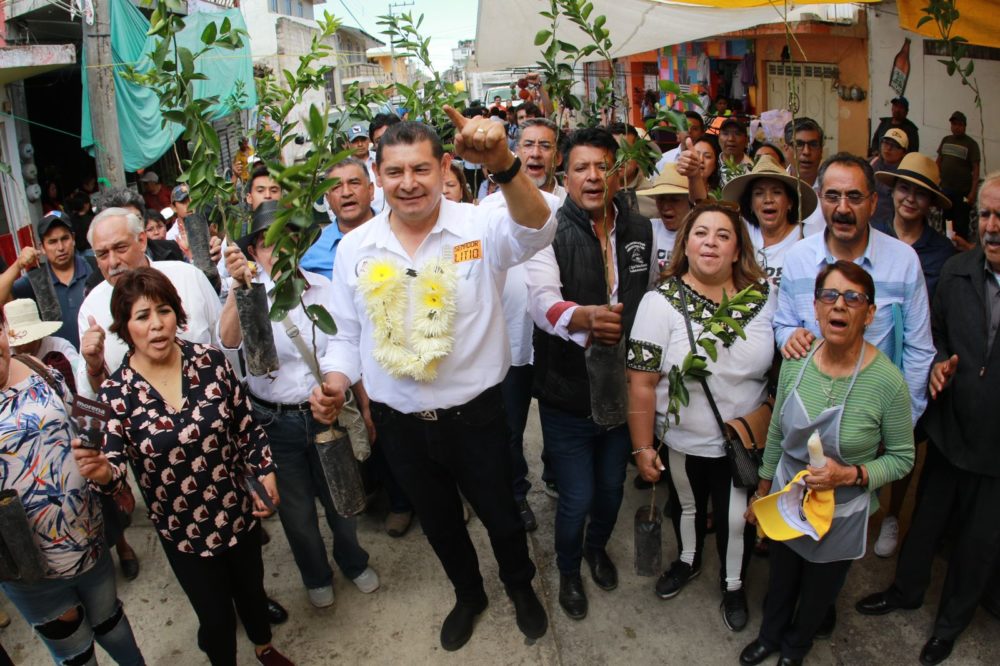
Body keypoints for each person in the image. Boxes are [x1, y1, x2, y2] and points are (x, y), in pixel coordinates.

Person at [308, 111, 552, 651]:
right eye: (394, 172)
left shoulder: (479, 225)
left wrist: (505, 165)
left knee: (503, 519)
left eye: (421, 168)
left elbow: (538, 228)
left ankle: (520, 588)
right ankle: (469, 595)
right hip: (401, 425)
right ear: (378, 176)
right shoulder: (355, 249)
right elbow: (347, 336)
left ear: (444, 166)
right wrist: (333, 382)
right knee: (441, 526)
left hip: (478, 416)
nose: (408, 182)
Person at [73, 267, 293, 666]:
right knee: (215, 619)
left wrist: (265, 471)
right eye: (142, 316)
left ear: (178, 313)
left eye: (164, 310)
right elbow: (116, 474)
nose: (156, 325)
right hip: (184, 531)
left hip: (238, 511)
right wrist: (104, 474)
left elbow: (246, 426)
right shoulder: (115, 395)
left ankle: (264, 647)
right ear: (125, 327)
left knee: (252, 592)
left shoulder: (208, 361)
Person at [854, 173, 1000, 666]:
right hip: (951, 428)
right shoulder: (957, 271)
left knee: (978, 542)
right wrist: (937, 364)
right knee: (926, 523)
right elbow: (930, 334)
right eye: (984, 215)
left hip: (996, 448)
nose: (992, 226)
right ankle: (906, 591)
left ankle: (949, 625)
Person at [740, 261, 915, 666]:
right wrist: (763, 491)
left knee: (820, 590)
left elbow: (903, 458)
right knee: (781, 578)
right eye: (830, 296)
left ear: (869, 314)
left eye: (853, 298)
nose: (840, 305)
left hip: (843, 509)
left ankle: (796, 648)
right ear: (816, 308)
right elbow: (779, 437)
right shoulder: (795, 362)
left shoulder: (888, 383)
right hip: (788, 496)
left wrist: (851, 474)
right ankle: (769, 637)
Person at [525, 126, 656, 621]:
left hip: (624, 393)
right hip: (567, 393)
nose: (594, 176)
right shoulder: (547, 229)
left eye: (603, 165)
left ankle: (595, 549)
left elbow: (651, 296)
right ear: (565, 175)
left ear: (619, 172)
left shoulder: (639, 228)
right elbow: (541, 302)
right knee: (575, 496)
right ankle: (567, 570)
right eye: (581, 167)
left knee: (610, 489)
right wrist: (583, 318)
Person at [221, 203, 379, 609]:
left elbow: (348, 351)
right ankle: (315, 574)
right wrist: (238, 290)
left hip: (326, 414)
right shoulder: (250, 296)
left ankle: (353, 560)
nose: (279, 251)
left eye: (288, 240)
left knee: (342, 501)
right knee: (297, 515)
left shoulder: (325, 291)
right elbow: (228, 344)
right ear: (255, 251)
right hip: (273, 422)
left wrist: (361, 406)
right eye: (268, 243)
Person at [628, 202, 774, 632]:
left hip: (742, 441)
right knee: (687, 507)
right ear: (685, 245)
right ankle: (687, 561)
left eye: (723, 235)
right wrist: (641, 447)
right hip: (683, 440)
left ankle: (733, 586)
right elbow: (639, 381)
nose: (711, 242)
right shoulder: (659, 302)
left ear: (737, 250)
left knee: (734, 519)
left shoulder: (763, 298)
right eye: (701, 233)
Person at [1, 305, 145, 666]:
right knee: (77, 655)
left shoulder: (36, 368)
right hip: (33, 574)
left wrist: (94, 371)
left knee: (114, 627)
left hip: (89, 542)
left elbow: (85, 414)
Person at [774, 153, 935, 429]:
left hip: (876, 421)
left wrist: (900, 423)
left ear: (873, 203)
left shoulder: (903, 261)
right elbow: (783, 324)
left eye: (855, 197)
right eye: (833, 196)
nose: (843, 208)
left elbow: (919, 350)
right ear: (820, 198)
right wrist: (789, 335)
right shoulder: (797, 258)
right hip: (808, 419)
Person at [482, 116, 567, 529]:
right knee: (510, 429)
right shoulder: (490, 208)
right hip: (512, 340)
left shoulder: (571, 206)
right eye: (528, 145)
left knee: (559, 420)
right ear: (515, 152)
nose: (535, 153)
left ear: (558, 156)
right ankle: (516, 492)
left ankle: (556, 475)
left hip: (558, 340)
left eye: (545, 146)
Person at [76, 207, 222, 397]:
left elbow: (223, 345)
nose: (112, 262)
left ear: (142, 241)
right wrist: (94, 367)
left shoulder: (188, 277)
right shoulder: (91, 308)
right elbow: (96, 396)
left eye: (120, 248)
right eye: (102, 254)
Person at [0, 212, 95, 349]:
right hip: (60, 364)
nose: (60, 247)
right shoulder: (35, 281)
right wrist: (18, 265)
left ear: (73, 239)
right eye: (52, 242)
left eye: (65, 239)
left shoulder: (93, 267)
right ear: (42, 247)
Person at [722, 155, 817, 290]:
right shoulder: (741, 233)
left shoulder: (806, 237)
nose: (768, 199)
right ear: (750, 204)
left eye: (777, 192)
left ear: (790, 202)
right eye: (759, 193)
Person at [300, 158, 377, 280]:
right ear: (328, 199)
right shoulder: (312, 251)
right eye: (336, 187)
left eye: (354, 183)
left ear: (371, 190)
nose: (346, 193)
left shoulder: (398, 232)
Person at [636, 163, 692, 271]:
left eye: (674, 200)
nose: (666, 206)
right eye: (661, 199)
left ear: (689, 201)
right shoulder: (646, 229)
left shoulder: (698, 234)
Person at [936, 110, 981, 243]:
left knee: (961, 223)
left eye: (959, 124)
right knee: (947, 221)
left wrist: (973, 192)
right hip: (946, 190)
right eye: (953, 124)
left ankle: (961, 252)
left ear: (964, 126)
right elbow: (938, 162)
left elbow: (976, 171)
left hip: (962, 192)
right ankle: (948, 245)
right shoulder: (946, 140)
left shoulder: (971, 144)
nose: (956, 127)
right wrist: (934, 182)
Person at [783, 118, 827, 237]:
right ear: (786, 149)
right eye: (799, 145)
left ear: (821, 151)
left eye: (813, 145)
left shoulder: (831, 192)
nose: (806, 152)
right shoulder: (776, 188)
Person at [870, 128, 910, 228]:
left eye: (895, 145)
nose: (888, 148)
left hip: (890, 227)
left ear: (903, 152)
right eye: (886, 143)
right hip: (867, 222)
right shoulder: (871, 163)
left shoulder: (904, 174)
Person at [717, 118, 752, 187]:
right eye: (725, 133)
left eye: (737, 134)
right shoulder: (710, 165)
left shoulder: (753, 170)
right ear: (718, 138)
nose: (731, 139)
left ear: (746, 140)